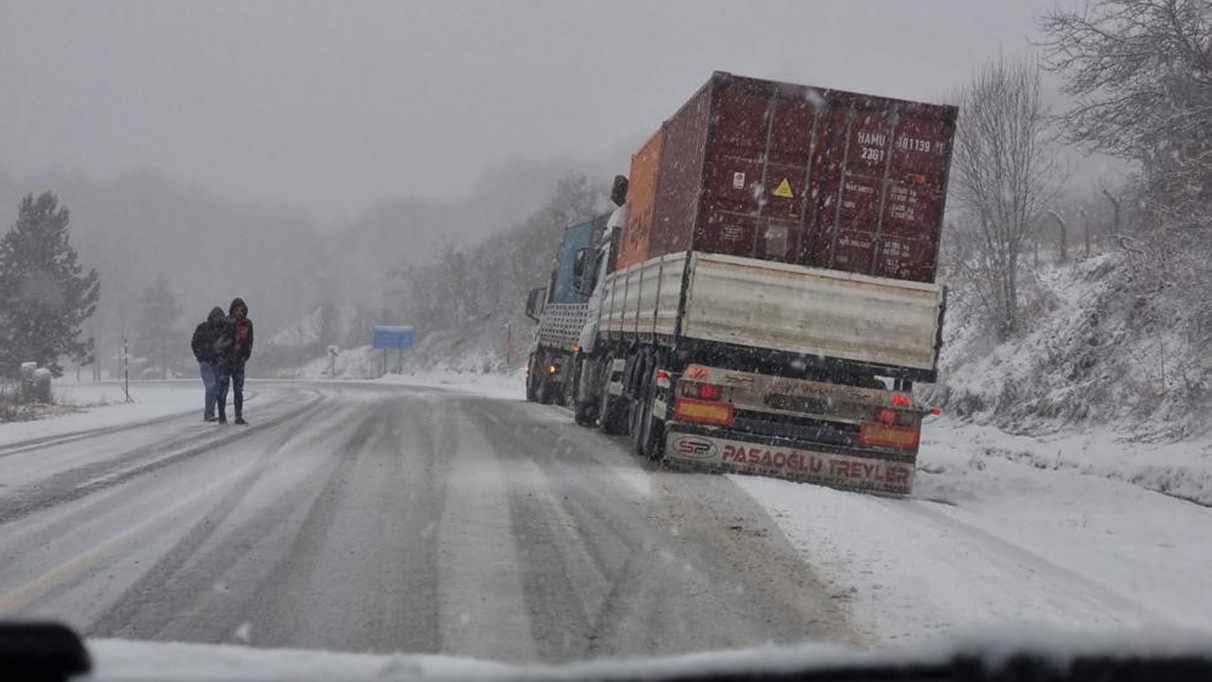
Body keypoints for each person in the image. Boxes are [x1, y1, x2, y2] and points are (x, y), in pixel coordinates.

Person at [214, 297, 254, 425]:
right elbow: (219, 340)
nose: (239, 312)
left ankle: (238, 416)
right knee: (223, 389)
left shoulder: (247, 324)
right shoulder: (226, 322)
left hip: (239, 362)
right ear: (232, 310)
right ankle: (221, 415)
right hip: (226, 361)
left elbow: (249, 342)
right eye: (236, 309)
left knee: (238, 390)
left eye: (241, 310)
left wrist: (244, 356)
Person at [190, 307, 227, 422]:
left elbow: (226, 346)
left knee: (216, 388)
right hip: (206, 362)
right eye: (216, 317)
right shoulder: (202, 328)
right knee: (211, 385)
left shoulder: (223, 330)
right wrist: (200, 357)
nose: (218, 319)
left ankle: (210, 412)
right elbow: (194, 344)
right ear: (211, 317)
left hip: (217, 363)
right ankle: (208, 414)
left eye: (220, 317)